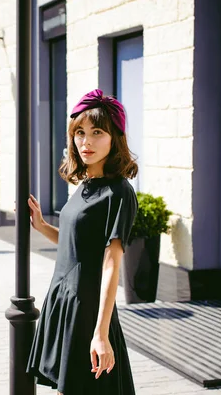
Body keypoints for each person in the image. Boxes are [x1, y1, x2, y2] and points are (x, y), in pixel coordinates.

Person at [26, 89, 139, 395]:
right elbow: (76, 244)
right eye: (80, 132)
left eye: (97, 132)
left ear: (115, 137)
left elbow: (111, 263)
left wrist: (101, 333)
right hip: (63, 298)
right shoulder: (86, 185)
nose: (86, 141)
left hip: (86, 306)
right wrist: (42, 226)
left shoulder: (119, 192)